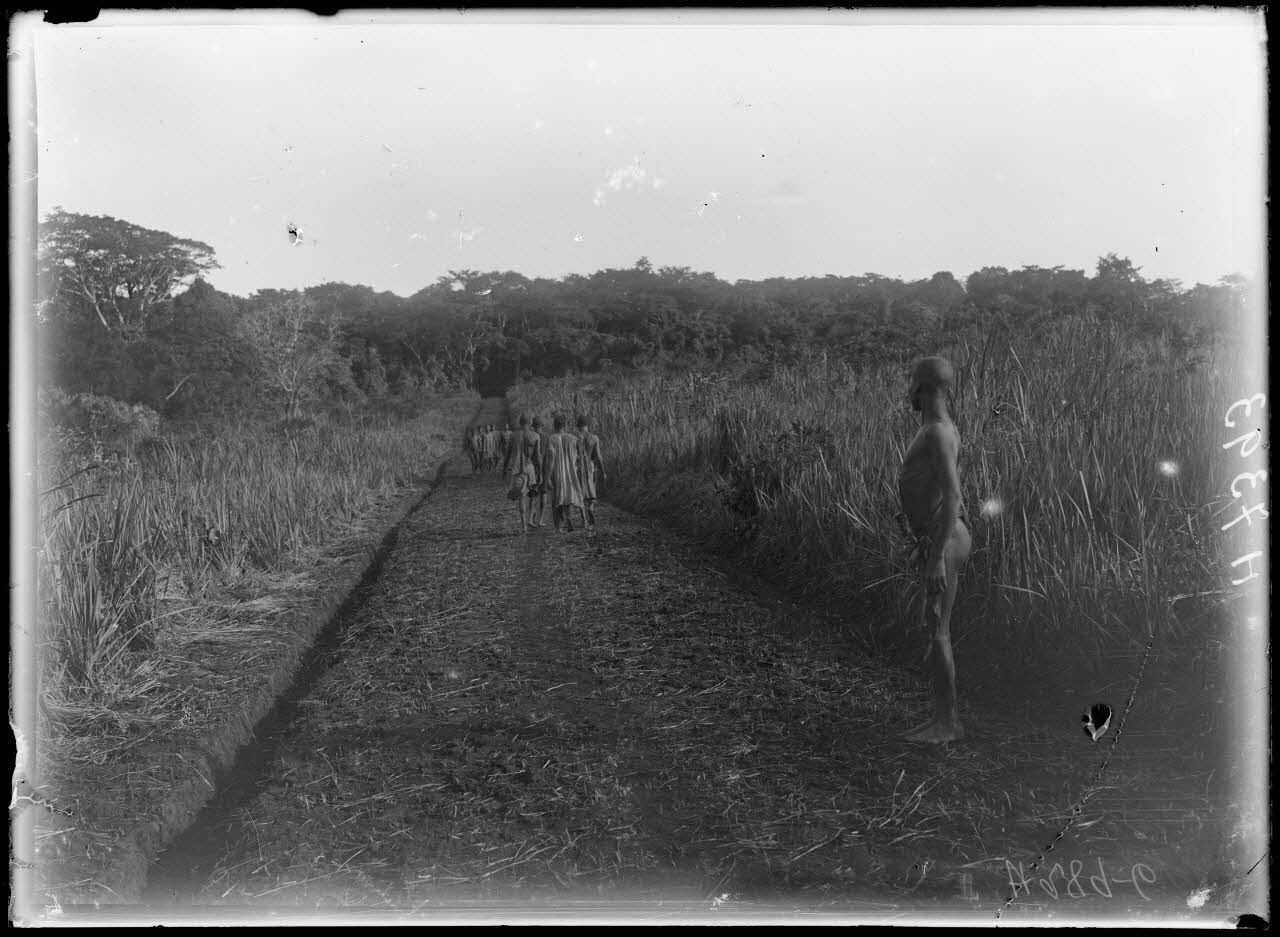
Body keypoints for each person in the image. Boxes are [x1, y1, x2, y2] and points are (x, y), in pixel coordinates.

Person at [896, 356, 970, 744]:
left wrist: (937, 555)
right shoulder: (934, 429)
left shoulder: (938, 432)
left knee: (939, 631)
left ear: (922, 387)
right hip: (938, 537)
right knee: (933, 628)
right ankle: (940, 718)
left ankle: (949, 724)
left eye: (911, 383)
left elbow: (953, 494)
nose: (908, 391)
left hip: (946, 541)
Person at [540, 414, 585, 532]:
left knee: (556, 500)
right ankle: (569, 517)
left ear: (554, 425)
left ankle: (558, 527)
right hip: (571, 473)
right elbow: (581, 458)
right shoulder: (574, 439)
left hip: (557, 474)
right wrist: (578, 469)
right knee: (569, 497)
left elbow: (551, 460)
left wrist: (547, 479)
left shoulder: (552, 439)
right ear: (565, 426)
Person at [506, 413, 543, 532]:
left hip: (517, 470)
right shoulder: (535, 436)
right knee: (533, 494)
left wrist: (504, 468)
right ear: (530, 423)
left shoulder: (512, 436)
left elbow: (508, 453)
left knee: (521, 497)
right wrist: (540, 473)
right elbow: (538, 456)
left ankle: (524, 527)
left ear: (520, 423)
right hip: (530, 468)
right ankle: (530, 519)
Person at [576, 414, 606, 530]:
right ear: (587, 425)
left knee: (580, 494)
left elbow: (574, 456)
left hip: (579, 468)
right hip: (591, 468)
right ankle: (591, 507)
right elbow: (598, 456)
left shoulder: (576, 438)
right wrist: (603, 471)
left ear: (578, 426)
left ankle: (584, 520)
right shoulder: (594, 438)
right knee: (592, 489)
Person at [530, 416, 548, 526]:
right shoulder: (546, 438)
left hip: (533, 469)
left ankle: (531, 519)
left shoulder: (531, 437)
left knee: (533, 495)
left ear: (533, 426)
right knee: (544, 493)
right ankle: (541, 519)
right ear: (542, 426)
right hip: (544, 468)